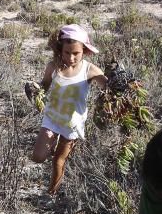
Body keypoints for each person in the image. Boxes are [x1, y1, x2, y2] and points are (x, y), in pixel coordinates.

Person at [29, 24, 107, 195]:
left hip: (72, 124)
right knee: (38, 156)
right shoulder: (53, 66)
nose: (71, 58)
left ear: (84, 51)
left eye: (76, 53)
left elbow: (106, 86)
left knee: (59, 161)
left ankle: (52, 193)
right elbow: (44, 86)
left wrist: (116, 83)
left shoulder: (89, 70)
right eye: (67, 53)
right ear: (60, 50)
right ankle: (50, 147)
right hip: (52, 118)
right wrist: (35, 88)